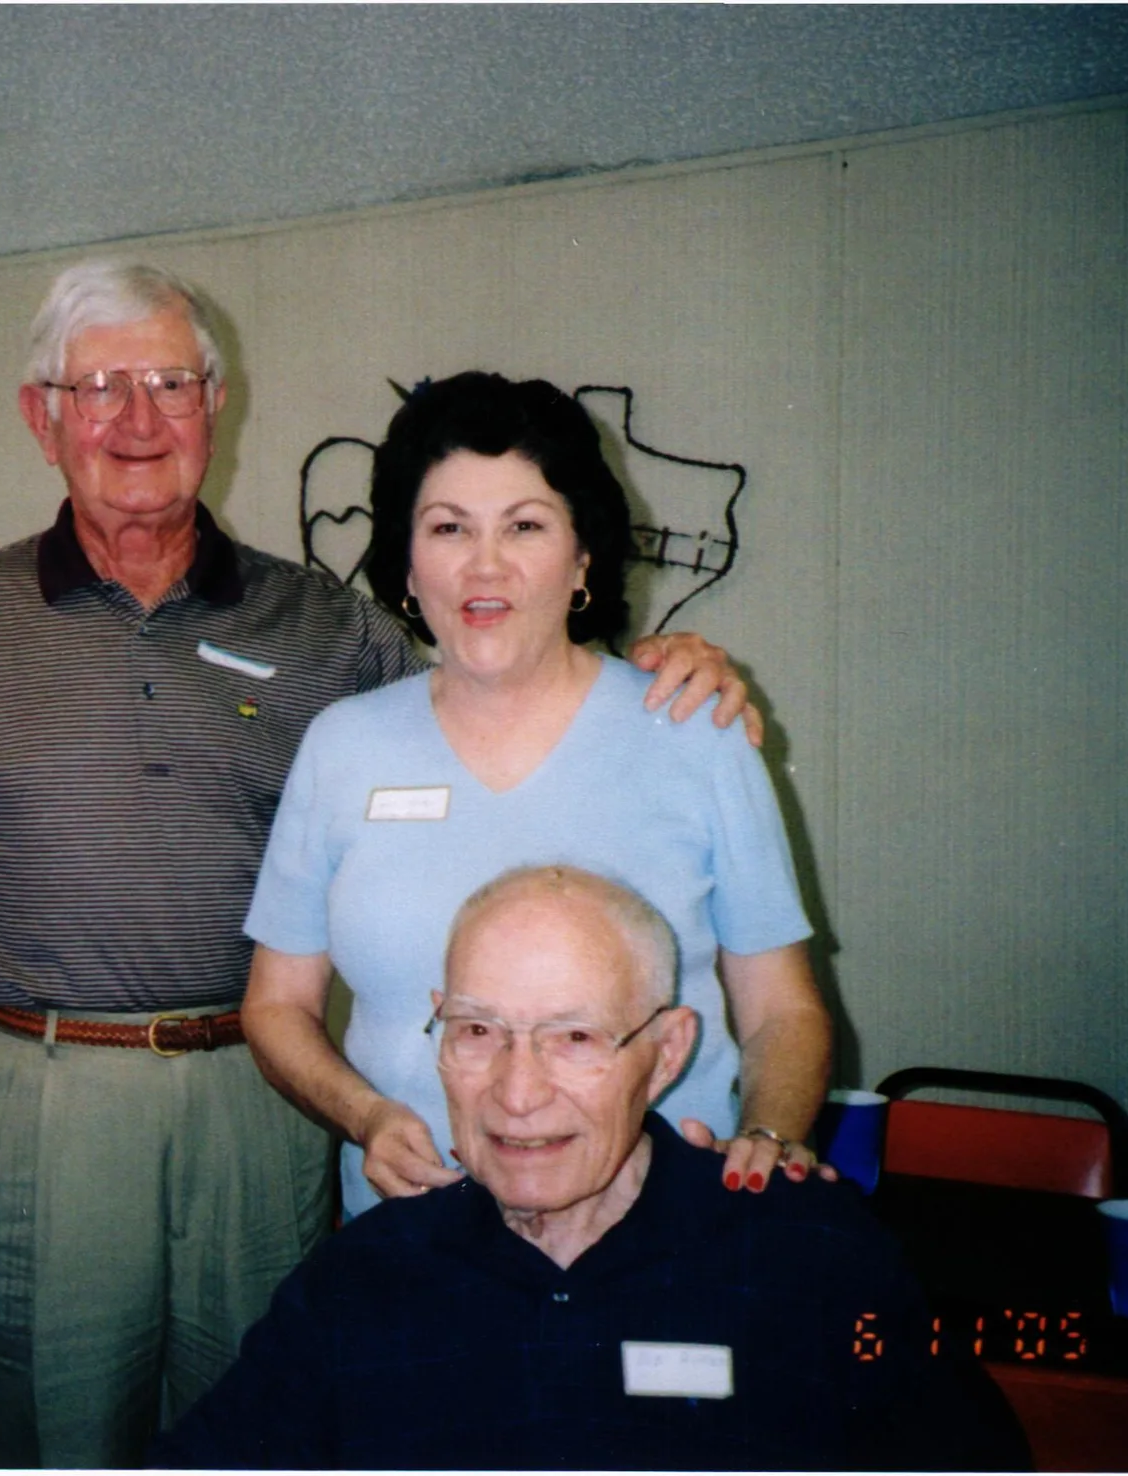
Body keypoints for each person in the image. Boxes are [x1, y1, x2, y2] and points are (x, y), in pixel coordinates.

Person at [0, 262, 754, 1468]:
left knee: (273, 1422)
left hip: (262, 1099)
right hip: (45, 1095)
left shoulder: (324, 624)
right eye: (99, 388)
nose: (137, 419)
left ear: (215, 406)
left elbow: (493, 723)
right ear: (42, 417)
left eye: (169, 383)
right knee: (54, 1434)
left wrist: (658, 669)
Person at [154, 866, 1026, 1470]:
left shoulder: (809, 1258)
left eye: (574, 1038)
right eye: (478, 1031)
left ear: (666, 1052)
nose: (517, 1093)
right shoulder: (360, 1282)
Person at [243, 370, 833, 1226]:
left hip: (661, 1226)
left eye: (524, 525)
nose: (485, 565)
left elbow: (781, 1008)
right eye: (449, 528)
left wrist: (769, 1133)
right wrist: (363, 1116)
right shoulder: (343, 747)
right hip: (417, 1229)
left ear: (582, 555)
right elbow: (276, 1006)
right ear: (406, 562)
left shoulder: (694, 731)